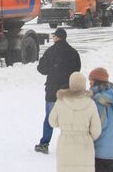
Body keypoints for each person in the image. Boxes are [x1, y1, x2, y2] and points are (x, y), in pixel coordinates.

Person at [34, 27, 82, 155]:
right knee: (69, 118)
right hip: (69, 90)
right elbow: (77, 71)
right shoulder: (73, 52)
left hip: (52, 90)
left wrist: (47, 65)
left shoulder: (51, 51)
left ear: (57, 37)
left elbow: (42, 69)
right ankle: (69, 144)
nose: (52, 38)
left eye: (53, 36)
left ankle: (44, 144)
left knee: (50, 118)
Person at [49, 72, 101, 172]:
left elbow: (52, 122)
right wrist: (87, 135)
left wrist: (64, 125)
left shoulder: (61, 101)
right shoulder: (90, 103)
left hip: (65, 145)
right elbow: (96, 130)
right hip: (84, 146)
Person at [89, 68, 113, 172]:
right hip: (112, 149)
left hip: (100, 150)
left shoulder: (99, 100)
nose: (89, 85)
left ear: (96, 81)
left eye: (91, 81)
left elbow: (99, 125)